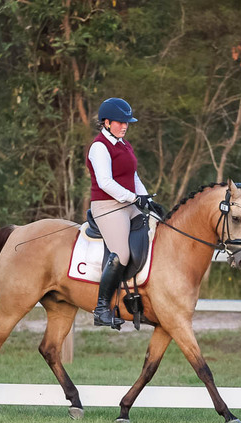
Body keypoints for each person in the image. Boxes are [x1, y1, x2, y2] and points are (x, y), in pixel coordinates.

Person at [86, 97, 162, 328]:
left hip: (128, 205)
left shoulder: (123, 144)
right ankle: (101, 309)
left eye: (127, 122)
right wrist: (134, 198)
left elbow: (133, 177)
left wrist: (147, 199)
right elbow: (106, 182)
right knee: (121, 254)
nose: (125, 126)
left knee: (156, 233)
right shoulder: (99, 147)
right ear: (106, 123)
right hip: (107, 207)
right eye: (120, 122)